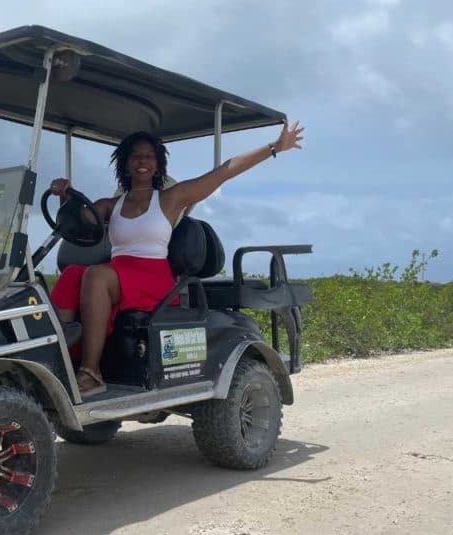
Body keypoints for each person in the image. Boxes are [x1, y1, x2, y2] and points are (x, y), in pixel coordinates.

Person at [49, 120, 304, 396]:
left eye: (149, 156)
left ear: (158, 163)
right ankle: (59, 358)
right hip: (119, 272)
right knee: (73, 273)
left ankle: (91, 373)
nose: (142, 161)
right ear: (125, 163)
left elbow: (225, 171)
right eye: (136, 156)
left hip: (152, 277)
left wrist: (275, 147)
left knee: (96, 275)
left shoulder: (171, 198)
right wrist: (65, 196)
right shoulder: (112, 204)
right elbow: (78, 222)